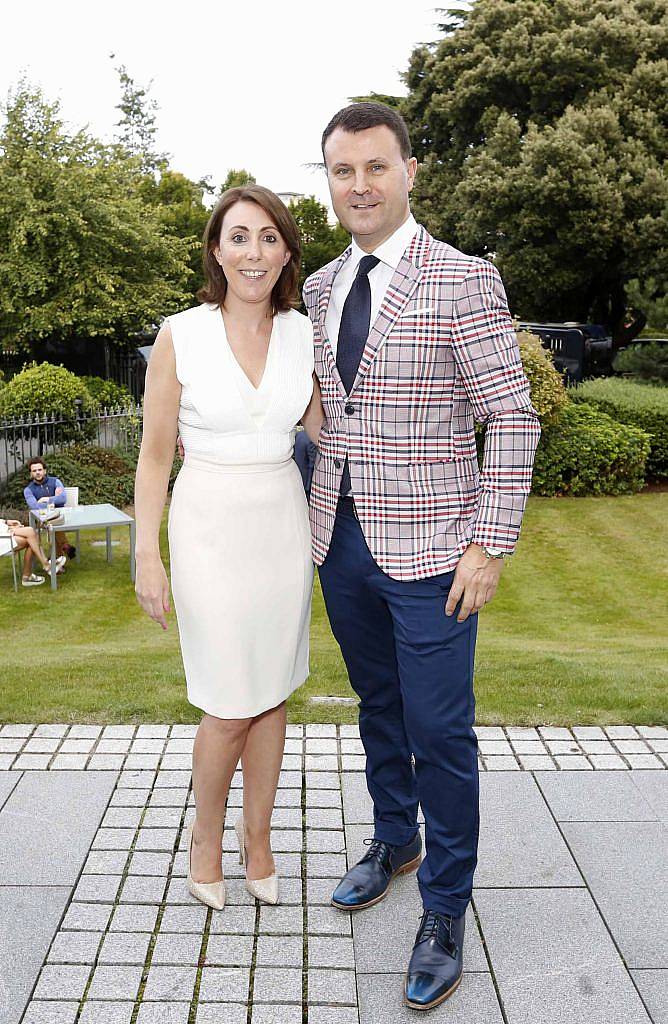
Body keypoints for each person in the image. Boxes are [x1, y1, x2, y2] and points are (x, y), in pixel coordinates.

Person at [304, 102, 540, 1010]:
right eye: (341, 170)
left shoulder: (463, 280)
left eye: (374, 167)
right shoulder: (322, 289)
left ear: (409, 172)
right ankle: (394, 839)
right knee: (377, 706)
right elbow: (327, 416)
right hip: (343, 543)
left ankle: (445, 907)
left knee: (441, 734)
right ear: (327, 181)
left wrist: (490, 544)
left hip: (439, 551)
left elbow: (511, 418)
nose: (358, 185)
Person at [134, 185, 323, 912]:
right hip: (207, 521)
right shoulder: (182, 333)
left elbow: (322, 430)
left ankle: (260, 839)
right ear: (217, 248)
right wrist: (147, 557)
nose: (255, 252)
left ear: (285, 253)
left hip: (280, 519)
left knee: (270, 692)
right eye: (240, 237)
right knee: (226, 701)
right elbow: (154, 458)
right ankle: (205, 839)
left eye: (269, 238)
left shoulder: (304, 333)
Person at [23, 458, 76, 562]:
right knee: (52, 524)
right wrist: (54, 500)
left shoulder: (56, 481)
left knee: (54, 524)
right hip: (41, 519)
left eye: (39, 469)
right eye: (34, 471)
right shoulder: (28, 490)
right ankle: (64, 546)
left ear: (44, 471)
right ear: (31, 473)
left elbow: (63, 498)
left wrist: (45, 499)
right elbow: (34, 507)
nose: (37, 472)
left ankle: (57, 559)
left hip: (61, 515)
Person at [0, 517, 65, 585]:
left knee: (32, 538)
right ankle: (45, 565)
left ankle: (41, 568)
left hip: (4, 532)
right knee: (31, 534)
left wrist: (6, 522)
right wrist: (9, 529)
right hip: (3, 538)